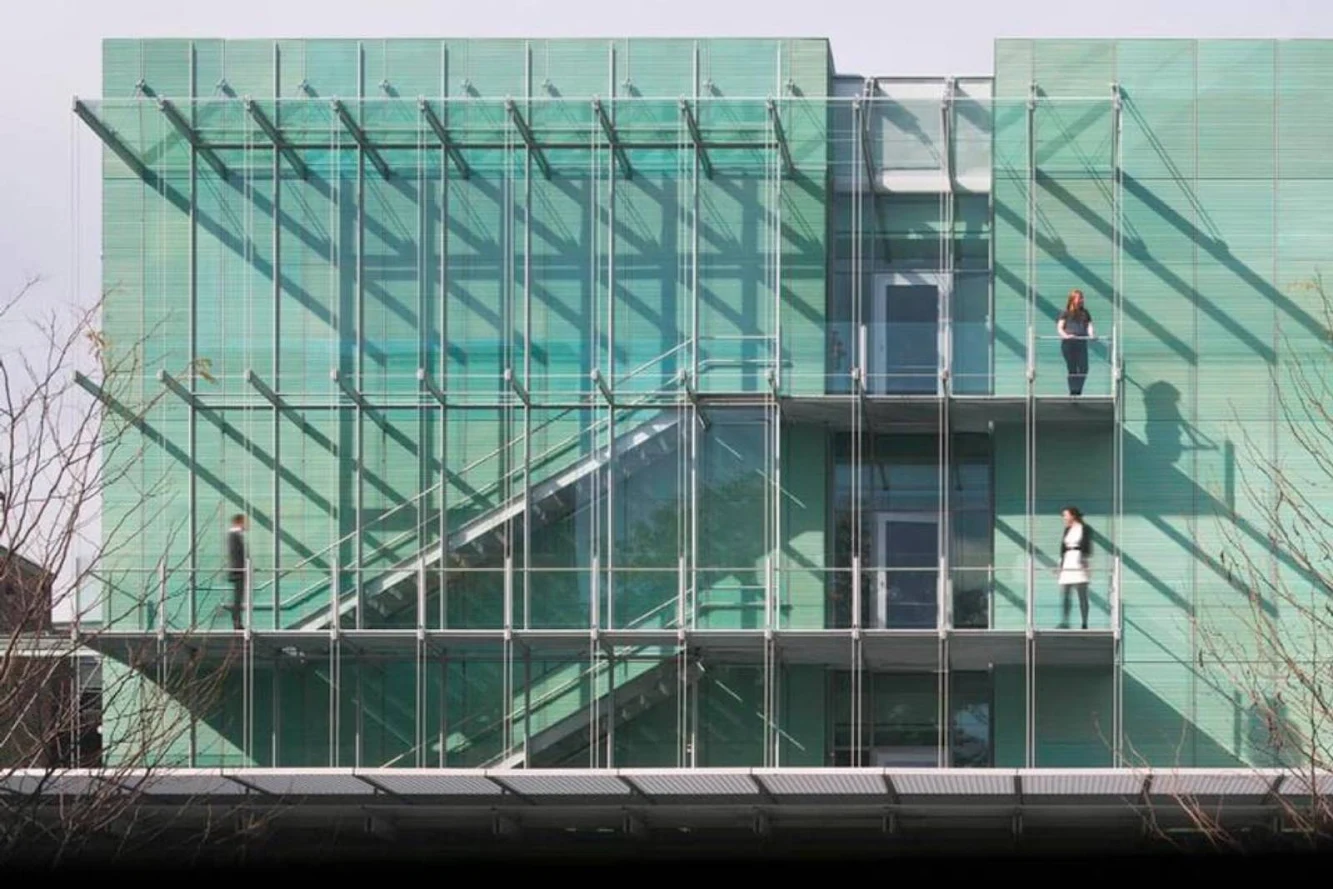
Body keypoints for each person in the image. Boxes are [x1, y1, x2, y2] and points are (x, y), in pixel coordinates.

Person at [1057, 506, 1092, 629]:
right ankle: (1065, 621)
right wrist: (1060, 565)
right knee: (1065, 593)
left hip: (1079, 561)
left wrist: (1084, 561)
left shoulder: (1084, 528)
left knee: (1082, 594)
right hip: (1068, 560)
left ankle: (1084, 622)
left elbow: (1087, 547)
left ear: (1073, 516)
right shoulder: (1067, 529)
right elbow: (1063, 548)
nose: (1064, 518)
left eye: (1065, 515)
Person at [1056, 289, 1095, 396]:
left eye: (1082, 298)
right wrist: (1066, 336)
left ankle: (1078, 390)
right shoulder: (1065, 312)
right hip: (1069, 345)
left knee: (1084, 368)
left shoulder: (1085, 312)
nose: (1082, 300)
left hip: (1081, 344)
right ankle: (1073, 392)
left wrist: (1091, 335)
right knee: (1072, 369)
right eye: (1079, 298)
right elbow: (1060, 328)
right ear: (1073, 300)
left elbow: (1089, 326)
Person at [227, 514, 247, 631]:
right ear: (239, 522)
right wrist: (242, 569)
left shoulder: (236, 535)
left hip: (239, 571)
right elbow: (235, 555)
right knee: (238, 598)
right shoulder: (233, 535)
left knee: (239, 598)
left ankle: (238, 621)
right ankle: (236, 621)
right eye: (244, 522)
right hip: (238, 571)